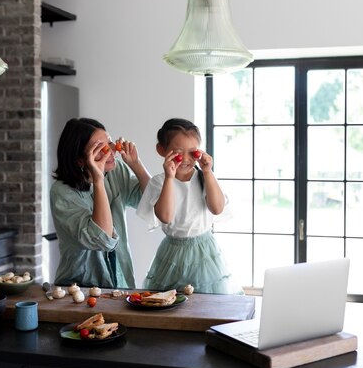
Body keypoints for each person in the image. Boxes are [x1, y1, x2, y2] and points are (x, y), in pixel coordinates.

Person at [136, 118, 243, 294]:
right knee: (171, 301)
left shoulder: (204, 178)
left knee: (207, 302)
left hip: (204, 252)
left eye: (192, 152)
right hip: (173, 252)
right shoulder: (159, 182)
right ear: (162, 150)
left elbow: (217, 208)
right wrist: (169, 177)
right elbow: (166, 216)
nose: (185, 159)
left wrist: (208, 172)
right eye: (178, 152)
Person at [50, 118, 150, 288]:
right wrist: (98, 180)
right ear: (80, 160)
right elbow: (102, 239)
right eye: (100, 149)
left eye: (110, 143)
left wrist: (136, 165)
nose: (111, 151)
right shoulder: (62, 192)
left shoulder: (116, 170)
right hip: (80, 287)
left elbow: (151, 202)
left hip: (120, 282)